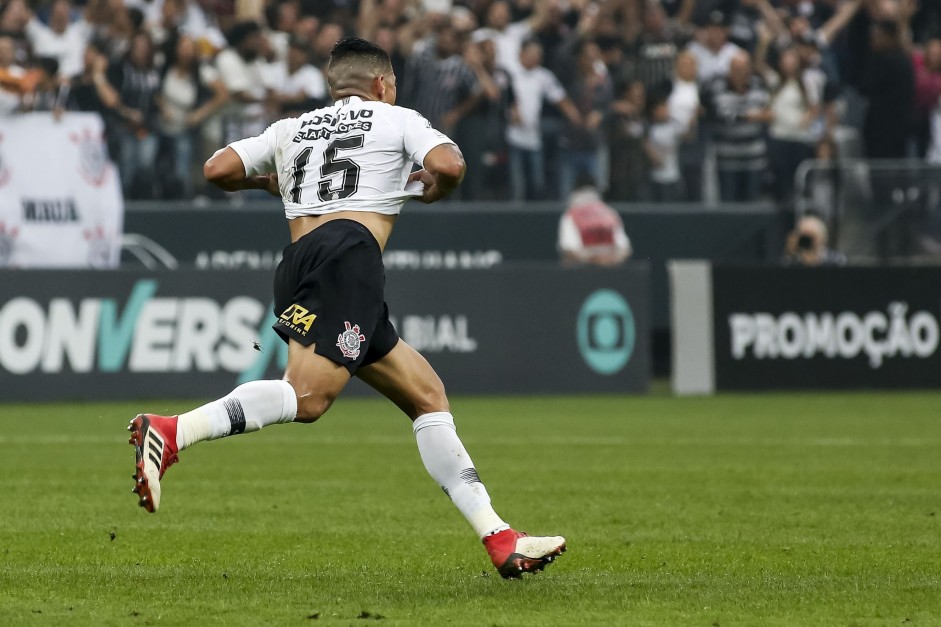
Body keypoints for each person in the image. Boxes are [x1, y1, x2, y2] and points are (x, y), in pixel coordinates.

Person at [127, 37, 566, 580]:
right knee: (307, 398)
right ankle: (172, 431)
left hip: (299, 262)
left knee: (427, 395)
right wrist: (435, 190)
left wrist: (270, 183)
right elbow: (450, 164)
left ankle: (499, 537)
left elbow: (217, 169)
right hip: (349, 255)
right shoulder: (397, 119)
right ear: (382, 85)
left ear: (335, 87)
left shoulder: (292, 129)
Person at [557, 175, 632, 266]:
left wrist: (604, 259)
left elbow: (624, 249)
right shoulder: (571, 215)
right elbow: (569, 250)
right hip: (583, 271)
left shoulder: (609, 213)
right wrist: (596, 258)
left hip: (607, 270)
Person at [782, 213, 846, 266]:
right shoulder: (792, 262)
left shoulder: (835, 261)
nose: (808, 239)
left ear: (821, 237)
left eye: (811, 235)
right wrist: (790, 252)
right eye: (804, 235)